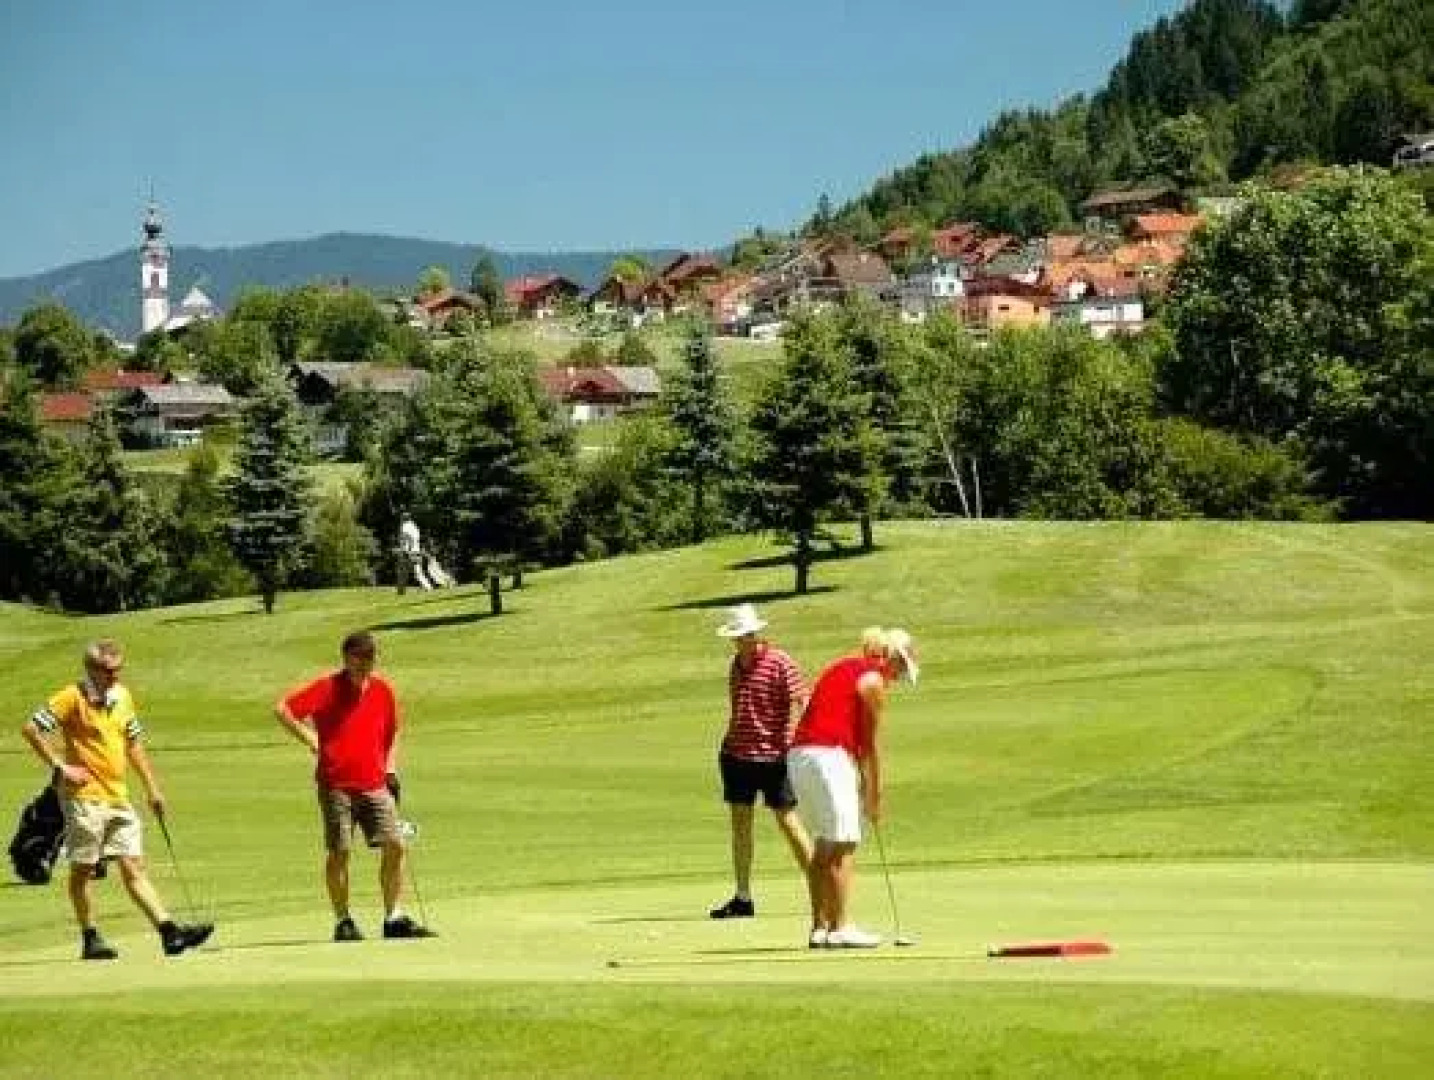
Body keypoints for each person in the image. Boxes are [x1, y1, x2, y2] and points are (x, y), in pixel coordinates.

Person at [19, 640, 214, 961]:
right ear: (92, 669)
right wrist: (60, 766)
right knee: (82, 870)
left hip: (118, 796)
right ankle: (90, 937)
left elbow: (133, 742)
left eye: (118, 670)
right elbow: (31, 729)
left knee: (134, 865)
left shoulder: (122, 696)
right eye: (109, 671)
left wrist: (152, 788)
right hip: (85, 799)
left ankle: (169, 932)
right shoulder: (71, 697)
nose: (115, 676)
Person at [274, 630, 434, 941]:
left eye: (371, 659)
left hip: (375, 782)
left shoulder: (382, 690)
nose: (366, 665)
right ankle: (343, 920)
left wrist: (391, 768)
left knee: (396, 845)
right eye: (360, 659)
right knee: (340, 852)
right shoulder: (328, 687)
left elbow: (392, 731)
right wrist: (311, 739)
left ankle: (393, 917)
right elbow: (283, 710)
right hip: (336, 783)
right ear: (346, 658)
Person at [788, 626, 919, 949]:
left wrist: (861, 784)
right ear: (890, 658)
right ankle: (842, 926)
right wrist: (875, 795)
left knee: (824, 845)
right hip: (828, 757)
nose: (898, 677)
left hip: (800, 757)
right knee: (845, 843)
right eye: (901, 668)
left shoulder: (844, 666)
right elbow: (871, 747)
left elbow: (857, 742)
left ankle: (820, 927)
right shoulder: (873, 683)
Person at [709, 603, 814, 919]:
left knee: (788, 821)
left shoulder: (781, 663)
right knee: (741, 825)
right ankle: (743, 898)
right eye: (739, 636)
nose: (743, 640)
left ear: (757, 633)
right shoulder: (736, 665)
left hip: (774, 756)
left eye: (748, 635)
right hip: (736, 754)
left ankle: (821, 887)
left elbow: (803, 701)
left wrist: (805, 738)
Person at [396, 512, 432, 594]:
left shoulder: (404, 527)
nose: (401, 519)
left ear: (404, 518)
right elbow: (415, 539)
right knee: (417, 571)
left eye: (402, 517)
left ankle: (401, 591)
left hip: (408, 551)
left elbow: (406, 539)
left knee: (402, 571)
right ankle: (427, 587)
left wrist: (405, 550)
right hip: (416, 550)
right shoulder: (414, 526)